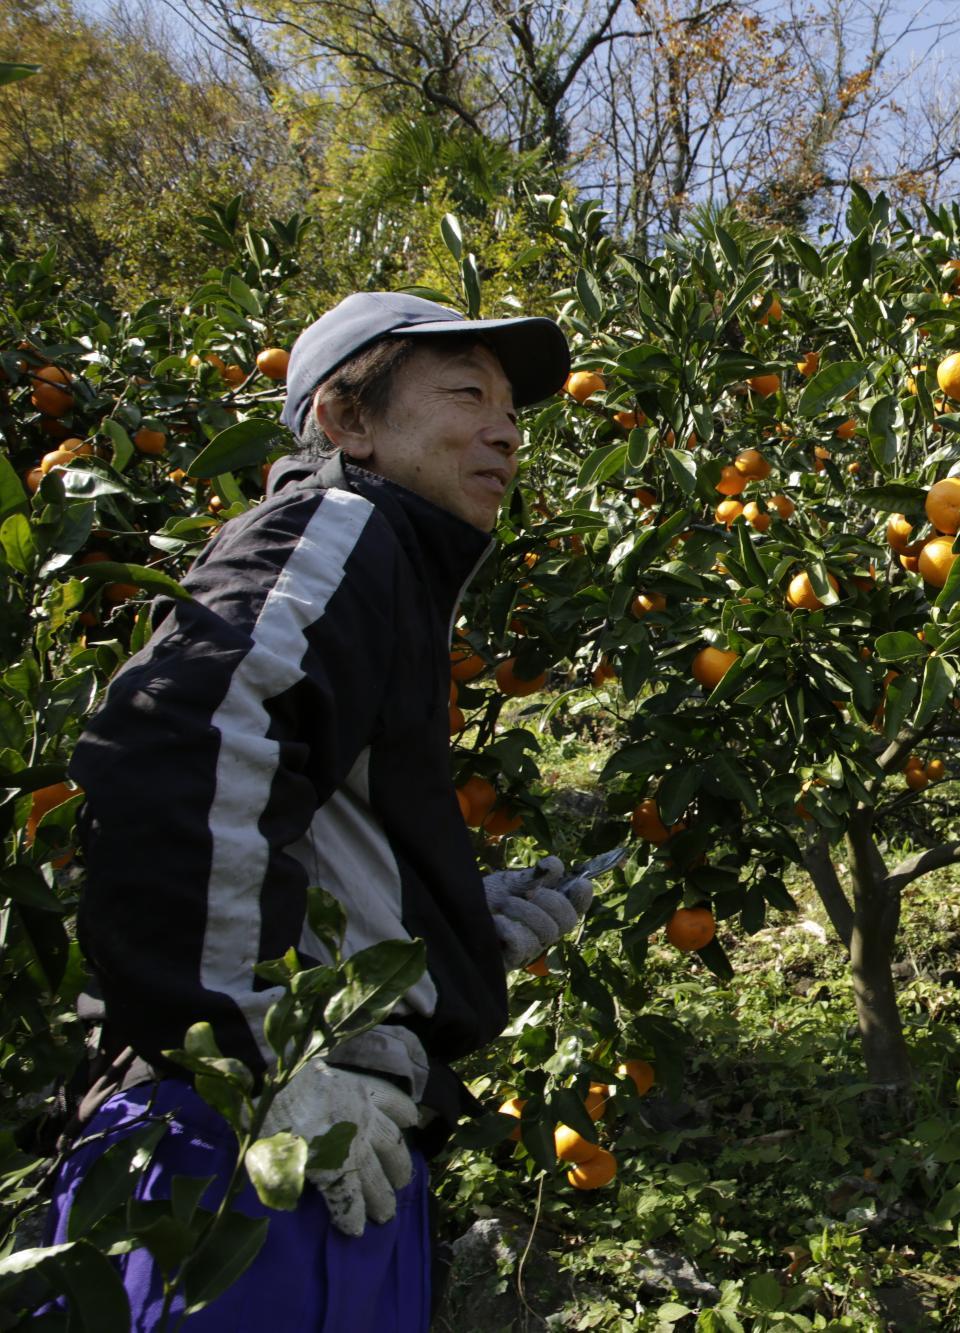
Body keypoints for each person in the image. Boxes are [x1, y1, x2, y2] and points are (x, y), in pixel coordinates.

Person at [46, 293, 594, 1329]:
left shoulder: (385, 565)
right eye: (466, 393)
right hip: (245, 1137)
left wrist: (443, 936)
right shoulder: (336, 525)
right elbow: (177, 741)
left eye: (512, 407)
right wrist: (240, 1038)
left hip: (337, 1133)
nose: (506, 427)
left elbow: (280, 820)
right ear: (346, 422)